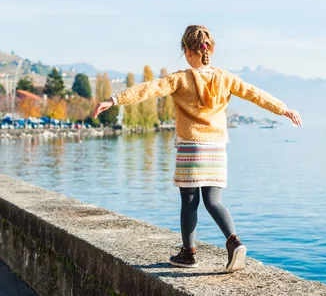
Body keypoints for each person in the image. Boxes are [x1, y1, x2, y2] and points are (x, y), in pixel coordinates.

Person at [92, 25, 302, 273]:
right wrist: (284, 109)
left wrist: (113, 100)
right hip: (216, 147)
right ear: (208, 50)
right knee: (214, 201)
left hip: (191, 146)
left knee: (189, 202)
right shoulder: (226, 78)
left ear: (186, 51)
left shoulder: (180, 79)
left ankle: (188, 254)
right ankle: (234, 242)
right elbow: (255, 94)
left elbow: (147, 89)